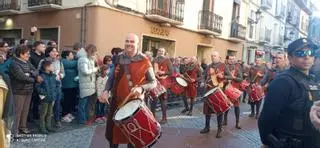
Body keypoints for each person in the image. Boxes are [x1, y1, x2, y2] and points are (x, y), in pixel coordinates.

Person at [258, 38, 320, 147]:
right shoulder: (283, 81)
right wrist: (267, 142)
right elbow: (267, 118)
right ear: (290, 58)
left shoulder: (312, 80)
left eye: (310, 53)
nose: (307, 57)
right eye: (300, 53)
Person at [102, 33, 156, 148]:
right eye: (127, 41)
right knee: (113, 135)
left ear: (137, 44)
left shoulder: (145, 61)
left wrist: (141, 88)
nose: (129, 44)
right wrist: (106, 90)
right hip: (117, 102)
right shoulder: (118, 58)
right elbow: (112, 76)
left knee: (133, 136)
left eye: (132, 41)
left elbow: (153, 82)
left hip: (134, 104)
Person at [9, 45, 42, 135]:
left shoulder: (27, 62)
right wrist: (34, 79)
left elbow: (35, 70)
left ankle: (23, 127)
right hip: (18, 91)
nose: (29, 55)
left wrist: (30, 73)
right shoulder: (14, 63)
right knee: (17, 111)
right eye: (27, 53)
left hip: (28, 90)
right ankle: (14, 131)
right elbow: (21, 77)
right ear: (21, 54)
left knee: (25, 110)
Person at [200, 51, 226, 138]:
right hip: (208, 90)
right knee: (207, 110)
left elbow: (229, 76)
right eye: (212, 56)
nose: (213, 57)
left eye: (214, 56)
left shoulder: (223, 66)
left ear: (219, 57)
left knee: (219, 110)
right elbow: (204, 76)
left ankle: (219, 129)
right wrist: (203, 82)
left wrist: (223, 77)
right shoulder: (208, 66)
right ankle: (207, 127)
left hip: (218, 90)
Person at [39, 47, 65, 127]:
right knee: (47, 106)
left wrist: (60, 76)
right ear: (48, 52)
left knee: (57, 104)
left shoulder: (59, 61)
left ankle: (57, 120)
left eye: (56, 51)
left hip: (57, 86)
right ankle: (45, 124)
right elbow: (39, 72)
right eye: (53, 51)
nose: (55, 53)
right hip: (47, 86)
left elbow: (63, 73)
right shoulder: (43, 61)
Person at [77, 44, 98, 125]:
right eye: (94, 52)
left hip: (89, 84)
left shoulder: (89, 58)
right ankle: (81, 120)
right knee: (82, 104)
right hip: (85, 84)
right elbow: (85, 71)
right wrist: (95, 69)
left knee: (86, 104)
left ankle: (85, 118)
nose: (94, 54)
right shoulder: (83, 59)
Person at [36, 60, 58, 134]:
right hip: (45, 97)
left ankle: (48, 126)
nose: (53, 67)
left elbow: (56, 85)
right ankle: (42, 127)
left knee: (49, 113)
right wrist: (44, 93)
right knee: (43, 113)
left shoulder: (53, 76)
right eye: (51, 66)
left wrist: (55, 92)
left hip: (51, 97)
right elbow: (38, 87)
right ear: (46, 67)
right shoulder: (41, 76)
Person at [152, 47, 173, 124]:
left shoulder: (167, 60)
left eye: (162, 51)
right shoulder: (154, 60)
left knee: (163, 100)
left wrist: (163, 73)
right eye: (159, 51)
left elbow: (171, 71)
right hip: (155, 81)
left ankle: (164, 118)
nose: (160, 52)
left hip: (163, 82)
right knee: (153, 99)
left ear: (164, 52)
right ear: (157, 52)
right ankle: (152, 117)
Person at [223, 55, 243, 129]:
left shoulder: (237, 68)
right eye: (230, 59)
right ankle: (225, 120)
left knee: (236, 106)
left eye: (233, 59)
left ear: (235, 60)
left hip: (235, 89)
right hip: (227, 89)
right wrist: (225, 80)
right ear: (227, 60)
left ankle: (237, 122)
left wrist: (234, 78)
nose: (231, 60)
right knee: (226, 105)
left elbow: (241, 79)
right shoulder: (225, 68)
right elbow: (222, 78)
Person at [61, 50, 78, 123]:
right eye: (71, 55)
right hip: (67, 85)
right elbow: (71, 65)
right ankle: (64, 115)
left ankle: (69, 113)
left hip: (73, 84)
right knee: (66, 101)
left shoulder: (73, 62)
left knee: (72, 100)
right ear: (67, 56)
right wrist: (78, 60)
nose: (73, 56)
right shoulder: (63, 61)